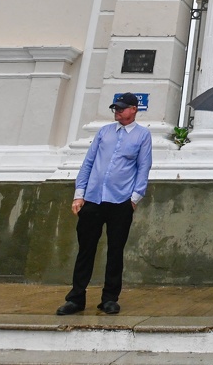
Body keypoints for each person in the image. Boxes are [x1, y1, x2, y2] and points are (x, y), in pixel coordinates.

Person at [56, 92, 152, 317]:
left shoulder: (142, 135)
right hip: (93, 198)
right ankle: (76, 298)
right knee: (85, 249)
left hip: (121, 201)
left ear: (133, 109)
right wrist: (79, 194)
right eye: (115, 108)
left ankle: (109, 298)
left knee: (115, 251)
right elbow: (88, 162)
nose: (117, 111)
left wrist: (135, 198)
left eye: (121, 108)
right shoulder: (104, 132)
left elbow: (143, 167)